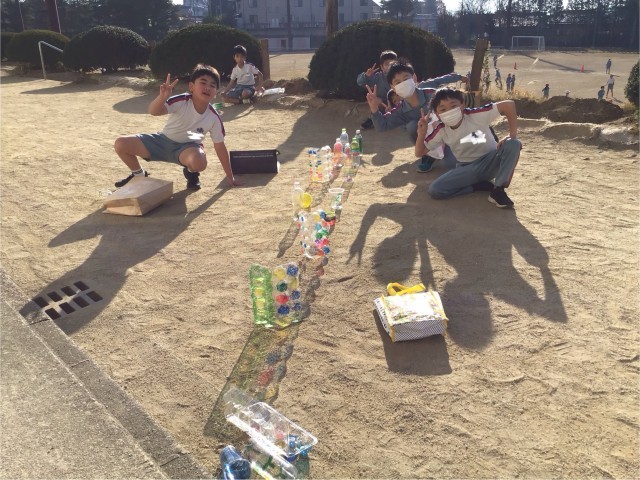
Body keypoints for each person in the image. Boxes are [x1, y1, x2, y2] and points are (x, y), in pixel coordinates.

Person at [113, 64, 238, 190]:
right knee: (121, 144)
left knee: (199, 162)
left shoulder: (214, 117)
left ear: (215, 92)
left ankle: (191, 173)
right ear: (191, 86)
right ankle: (138, 174)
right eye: (203, 82)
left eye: (212, 85)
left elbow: (220, 146)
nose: (207, 88)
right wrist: (162, 97)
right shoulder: (182, 100)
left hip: (188, 149)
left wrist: (229, 176)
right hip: (161, 142)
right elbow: (154, 111)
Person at [415, 88, 520, 208]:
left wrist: (512, 135)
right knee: (435, 190)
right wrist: (422, 133)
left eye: (453, 106)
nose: (449, 111)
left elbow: (509, 105)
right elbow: (420, 152)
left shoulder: (476, 115)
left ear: (462, 105)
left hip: (490, 162)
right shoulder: (441, 130)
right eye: (443, 109)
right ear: (437, 114)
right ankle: (477, 186)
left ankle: (498, 190)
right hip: (467, 168)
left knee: (514, 143)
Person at [365, 60, 467, 172]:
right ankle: (429, 155)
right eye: (397, 82)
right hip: (430, 140)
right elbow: (382, 126)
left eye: (406, 79)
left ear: (414, 78)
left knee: (452, 164)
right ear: (393, 88)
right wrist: (374, 108)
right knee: (412, 126)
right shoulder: (401, 110)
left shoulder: (433, 95)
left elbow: (459, 111)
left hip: (450, 136)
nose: (403, 84)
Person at [357, 50, 398, 129]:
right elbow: (361, 83)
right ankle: (373, 120)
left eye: (393, 64)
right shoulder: (378, 77)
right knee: (375, 101)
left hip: (397, 103)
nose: (390, 66)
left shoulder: (400, 76)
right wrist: (366, 76)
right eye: (387, 64)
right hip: (382, 104)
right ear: (382, 67)